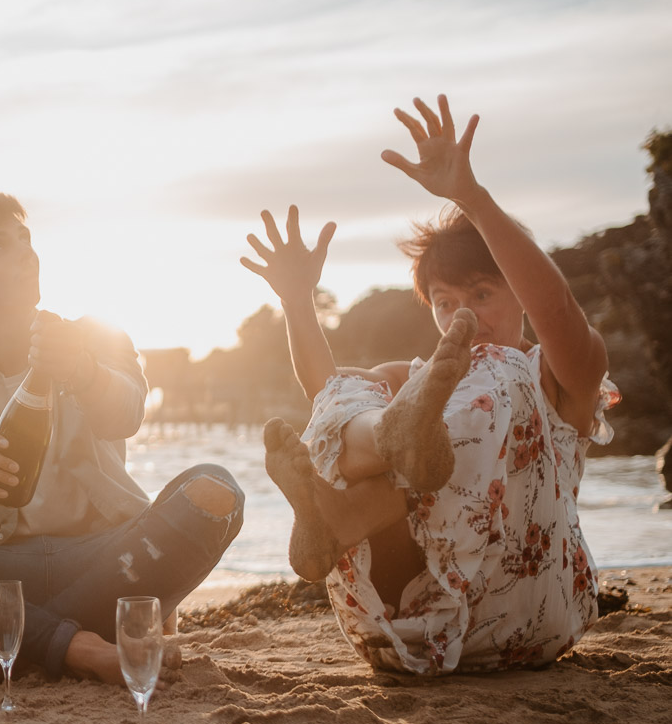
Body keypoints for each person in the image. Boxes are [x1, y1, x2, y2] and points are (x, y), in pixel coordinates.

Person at [241, 95, 618, 675]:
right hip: (407, 626)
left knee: (493, 369)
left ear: (517, 292)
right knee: (357, 392)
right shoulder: (423, 379)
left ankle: (360, 494)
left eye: (482, 294)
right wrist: (297, 301)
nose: (462, 315)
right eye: (445, 302)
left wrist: (472, 199)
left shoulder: (555, 376)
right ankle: (365, 472)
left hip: (528, 617)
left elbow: (559, 311)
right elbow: (327, 389)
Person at [0, 191, 244, 689]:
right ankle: (83, 646)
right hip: (1, 570)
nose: (25, 253)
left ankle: (13, 646)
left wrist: (81, 369)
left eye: (24, 239)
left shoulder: (97, 335)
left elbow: (127, 414)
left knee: (216, 490)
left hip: (111, 556)